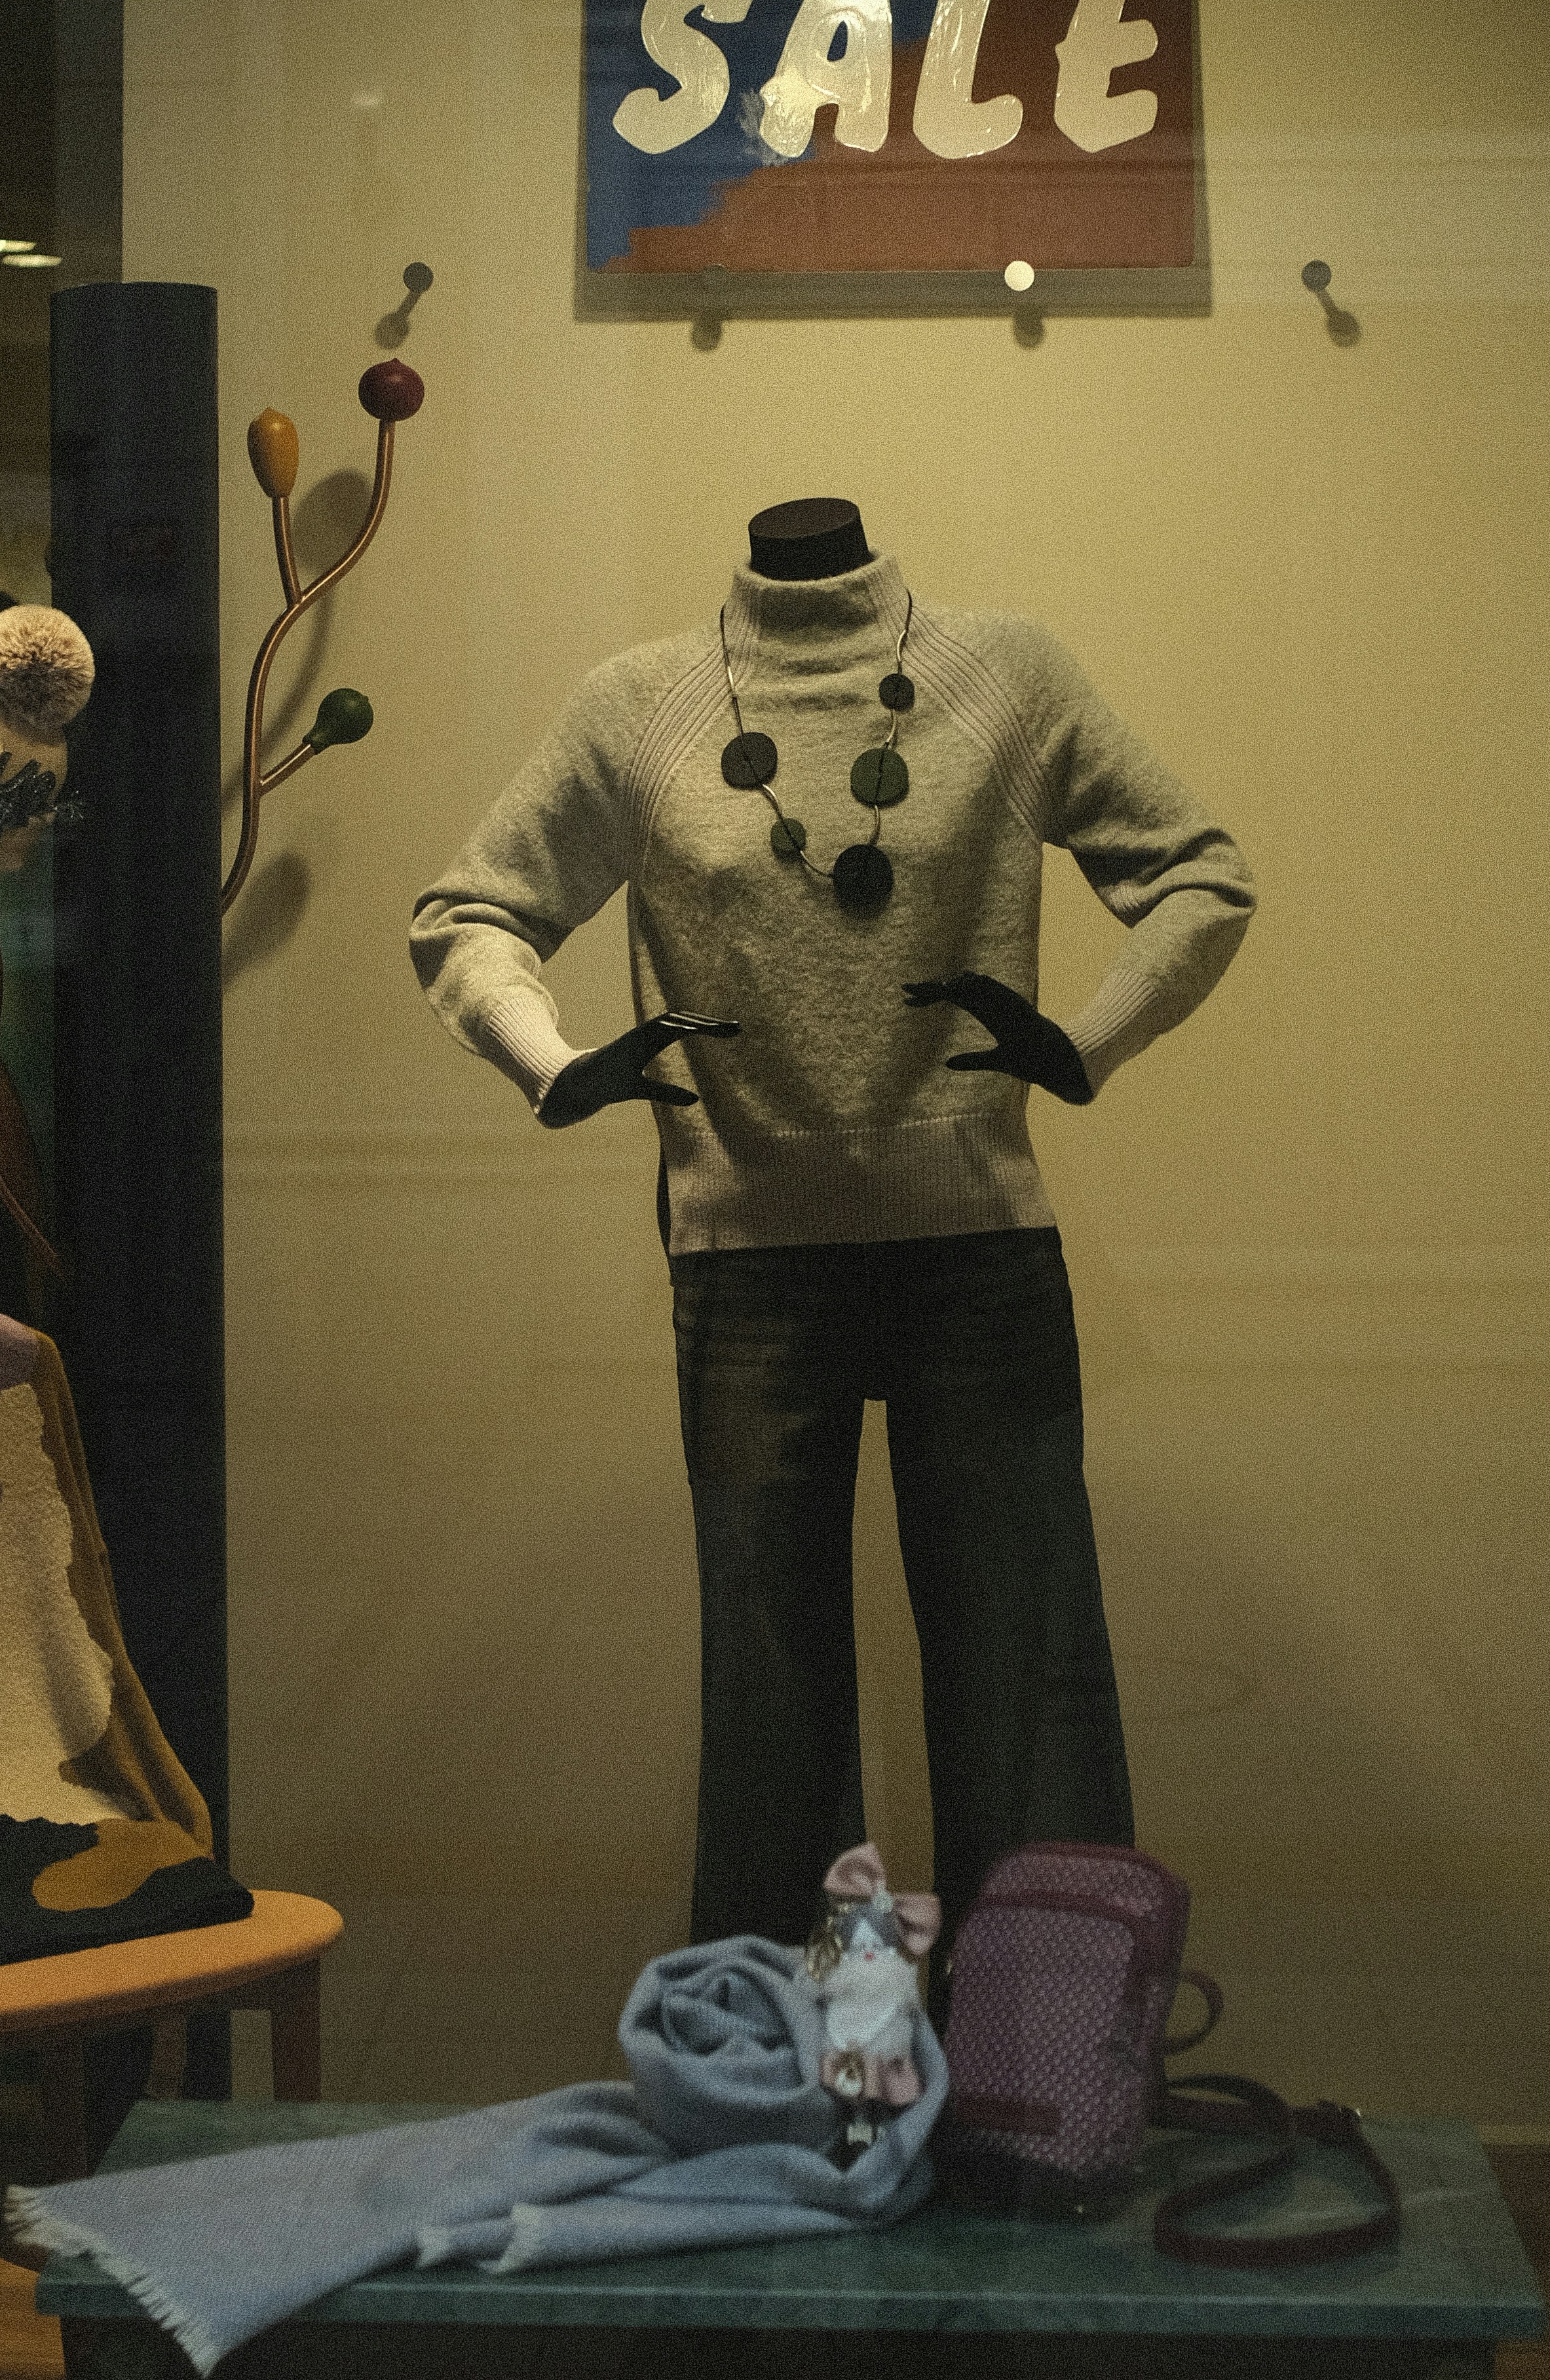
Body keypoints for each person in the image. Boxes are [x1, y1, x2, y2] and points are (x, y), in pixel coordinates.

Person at [411, 499, 1255, 1946]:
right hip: (745, 1260)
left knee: (1025, 1677)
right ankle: (787, 2094)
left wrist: (1089, 1043)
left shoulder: (1006, 676)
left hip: (975, 1245)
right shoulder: (640, 706)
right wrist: (549, 1063)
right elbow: (471, 906)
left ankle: (1033, 2088)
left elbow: (1198, 873)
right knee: (769, 1703)